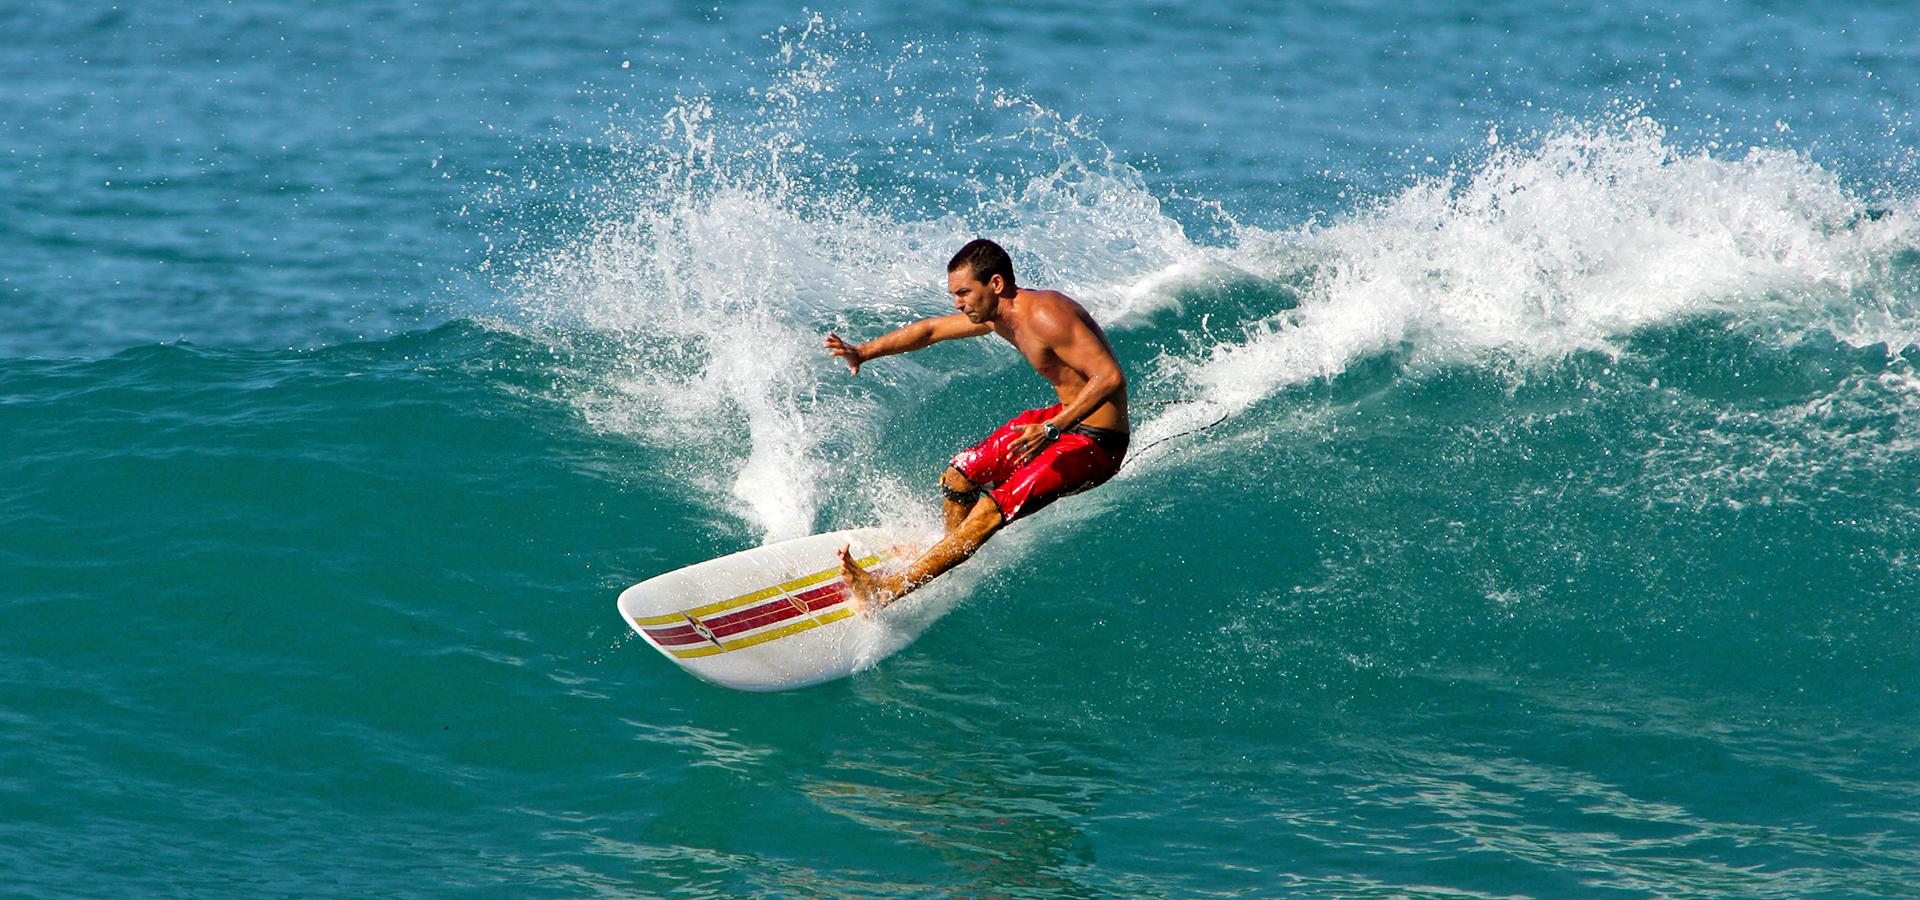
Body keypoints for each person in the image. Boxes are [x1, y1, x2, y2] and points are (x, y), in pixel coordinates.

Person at [823, 239, 1130, 611]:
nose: (958, 303)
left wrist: (1054, 428)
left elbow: (1110, 377)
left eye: (964, 292)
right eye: (955, 294)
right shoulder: (999, 316)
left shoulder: (1045, 316)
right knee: (959, 475)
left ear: (996, 285)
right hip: (1059, 422)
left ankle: (887, 589)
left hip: (1097, 443)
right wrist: (864, 351)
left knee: (987, 511)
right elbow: (931, 331)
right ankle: (948, 552)